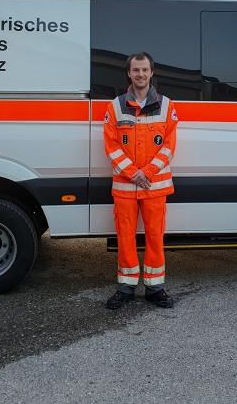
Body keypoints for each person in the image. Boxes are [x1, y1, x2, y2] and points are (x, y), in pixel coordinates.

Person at [103, 52, 178, 310]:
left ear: (152, 72)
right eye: (136, 70)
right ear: (129, 73)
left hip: (154, 186)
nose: (140, 74)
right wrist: (133, 172)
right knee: (125, 237)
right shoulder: (115, 106)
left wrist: (146, 172)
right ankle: (126, 287)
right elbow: (111, 146)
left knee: (155, 236)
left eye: (145, 70)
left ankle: (155, 288)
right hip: (126, 187)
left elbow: (169, 146)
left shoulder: (167, 106)